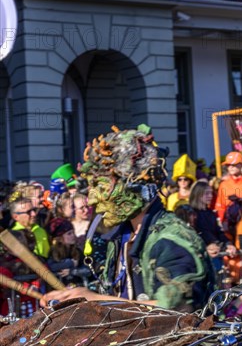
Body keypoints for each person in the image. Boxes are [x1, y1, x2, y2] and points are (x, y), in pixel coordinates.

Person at [42, 125, 215, 312]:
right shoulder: (121, 236)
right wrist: (77, 295)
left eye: (101, 185)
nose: (92, 198)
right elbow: (116, 293)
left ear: (136, 186)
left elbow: (179, 312)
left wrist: (97, 300)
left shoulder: (172, 239)